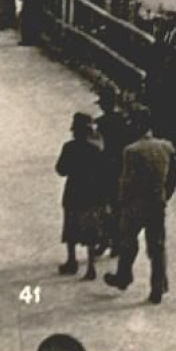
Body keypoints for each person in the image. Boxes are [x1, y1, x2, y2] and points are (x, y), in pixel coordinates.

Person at [104, 107, 176, 305]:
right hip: (157, 202)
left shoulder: (131, 151)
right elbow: (174, 177)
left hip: (135, 204)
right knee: (157, 245)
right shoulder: (166, 147)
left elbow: (126, 181)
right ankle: (158, 286)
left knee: (127, 241)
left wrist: (120, 203)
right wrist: (165, 195)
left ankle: (124, 276)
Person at [55, 112, 109, 280]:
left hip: (74, 191)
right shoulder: (96, 149)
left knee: (71, 226)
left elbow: (61, 170)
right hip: (92, 193)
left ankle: (72, 261)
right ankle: (91, 266)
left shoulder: (69, 147)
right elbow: (103, 173)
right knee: (91, 230)